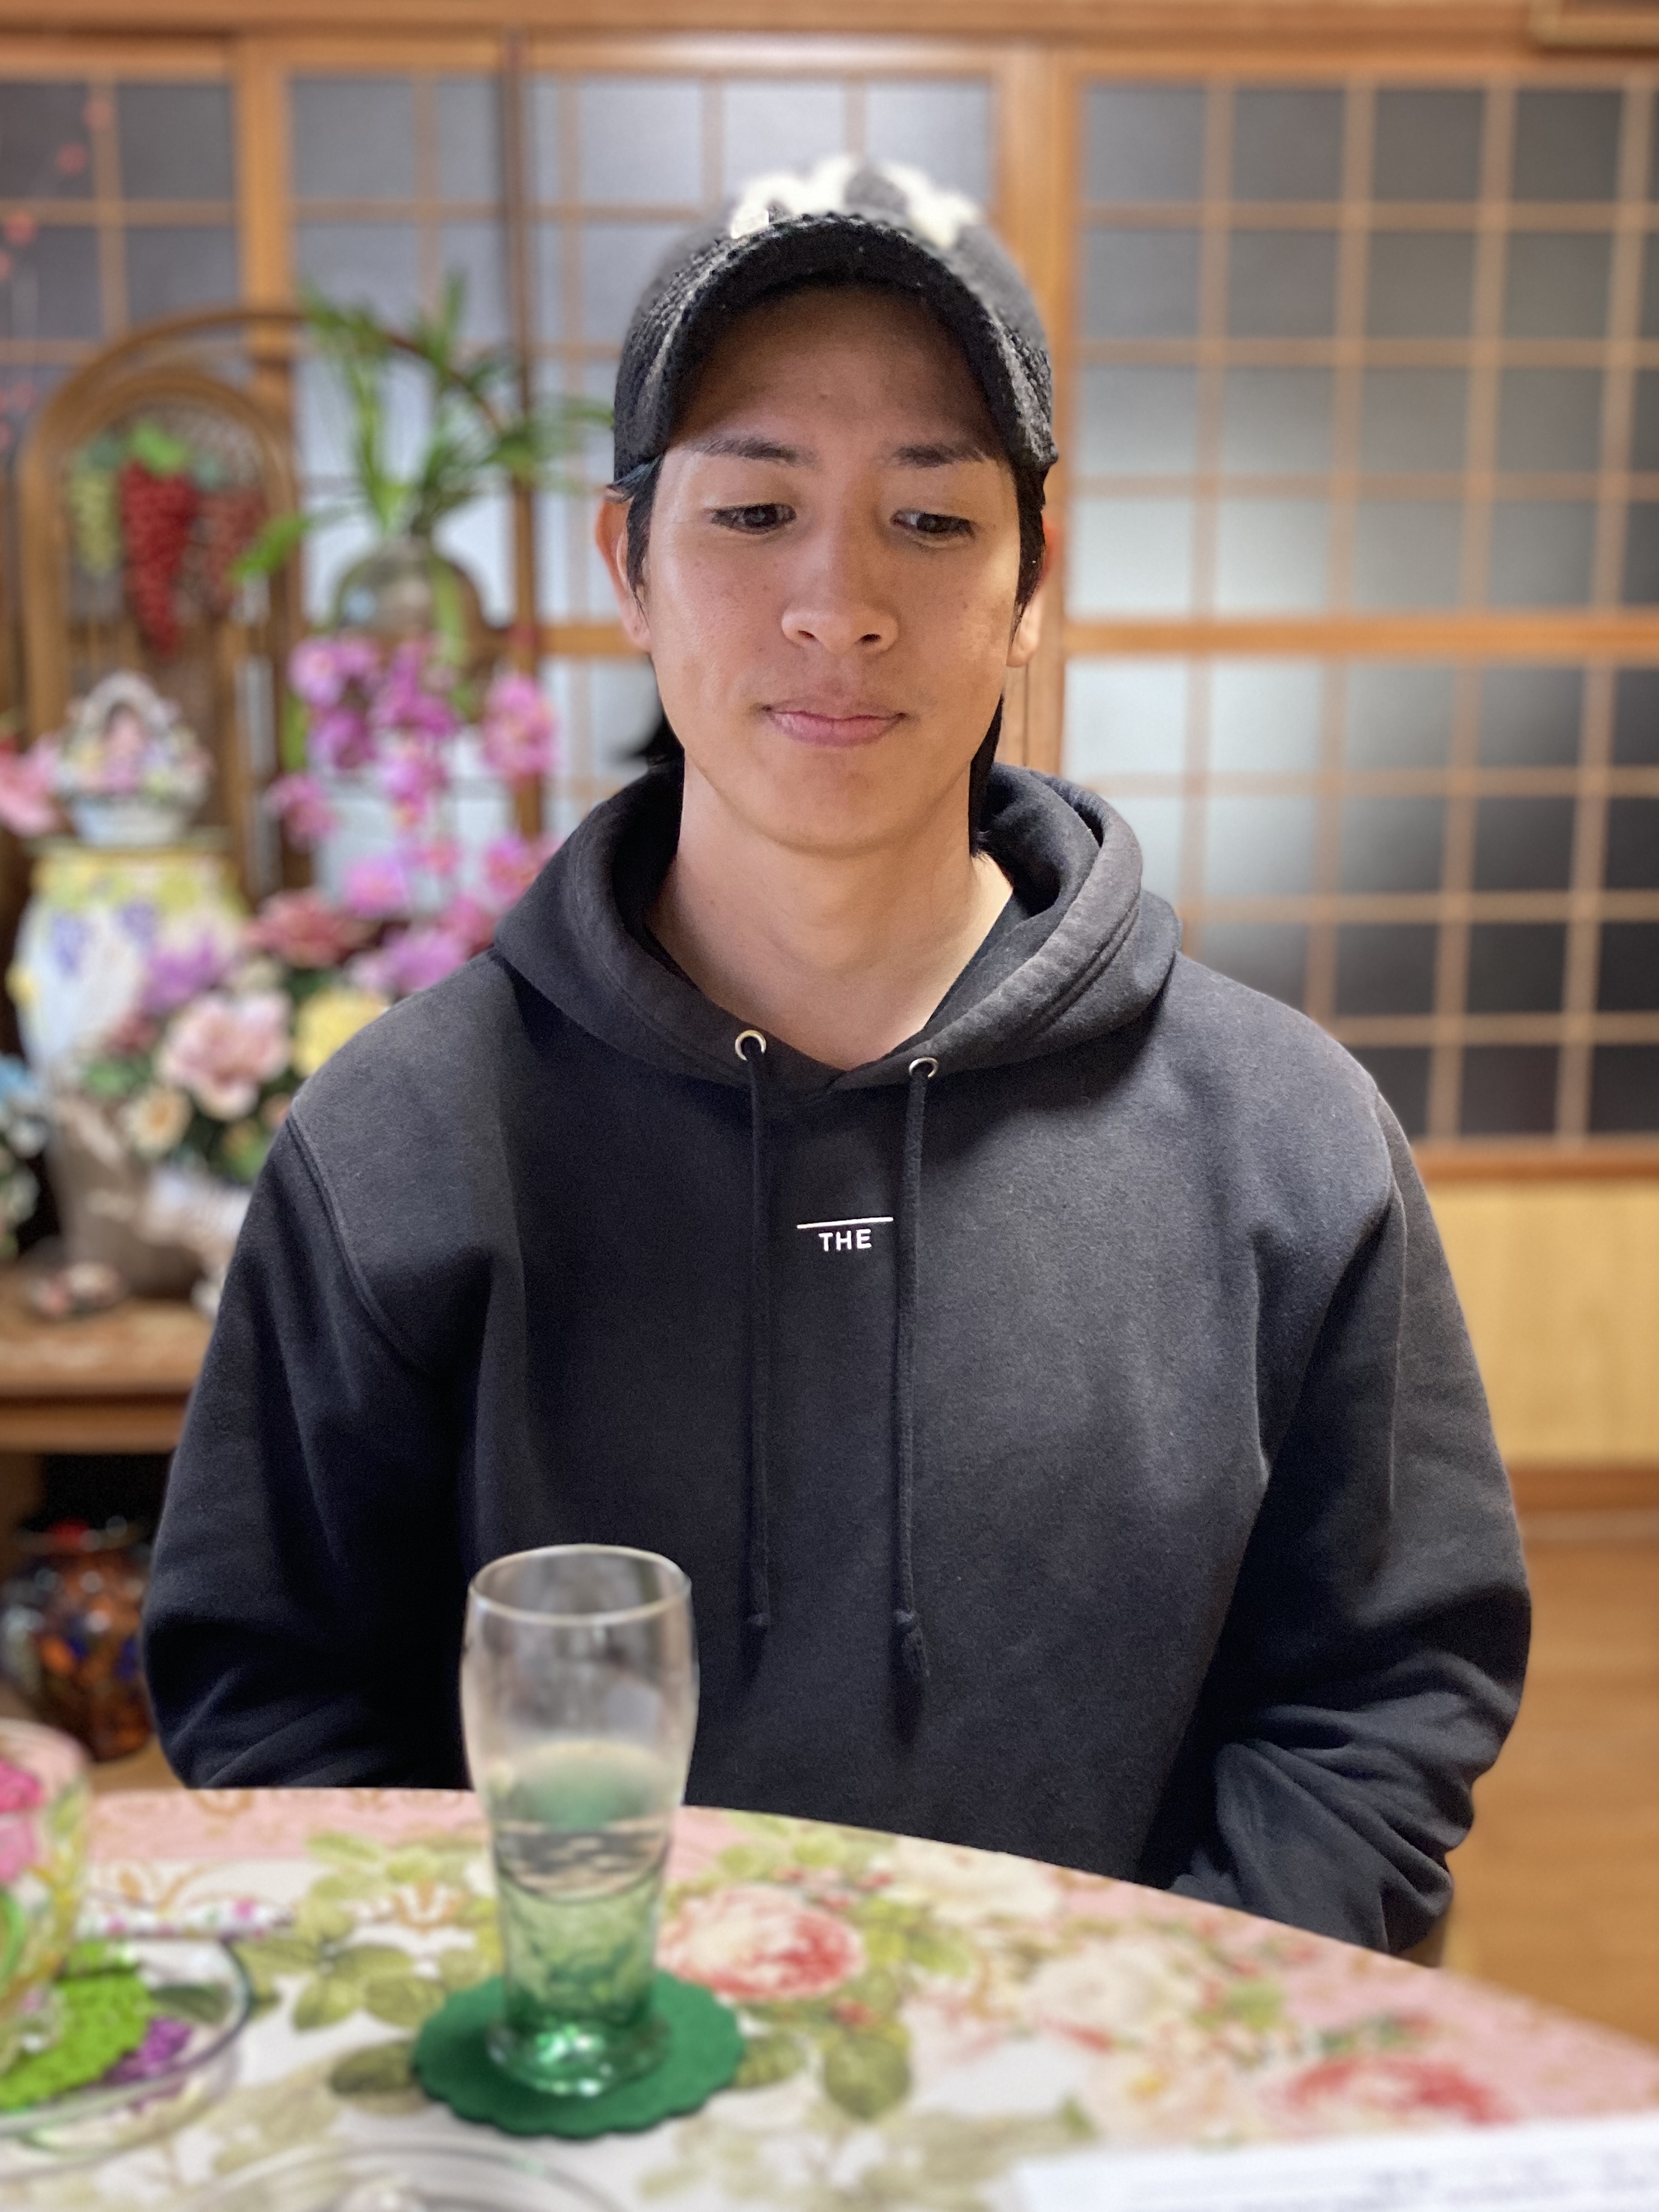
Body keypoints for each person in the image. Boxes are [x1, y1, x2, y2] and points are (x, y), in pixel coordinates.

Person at [145, 160, 1528, 1955]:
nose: (838, 603)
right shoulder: (401, 1136)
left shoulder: (1283, 1135)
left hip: (1124, 2078)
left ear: (1031, 582)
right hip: (578, 2073)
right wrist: (552, 2023)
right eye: (753, 509)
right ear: (627, 565)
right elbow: (276, 1695)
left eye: (930, 519)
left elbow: (1379, 1693)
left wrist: (1145, 2039)